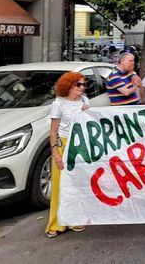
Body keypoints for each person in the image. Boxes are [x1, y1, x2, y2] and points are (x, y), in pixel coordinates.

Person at [47, 72, 89, 238]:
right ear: (69, 86)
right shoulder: (58, 103)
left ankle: (74, 219)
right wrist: (55, 152)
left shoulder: (85, 101)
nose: (82, 87)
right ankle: (56, 223)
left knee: (77, 184)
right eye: (79, 84)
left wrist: (87, 111)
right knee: (60, 185)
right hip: (64, 145)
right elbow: (53, 131)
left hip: (81, 146)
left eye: (83, 84)